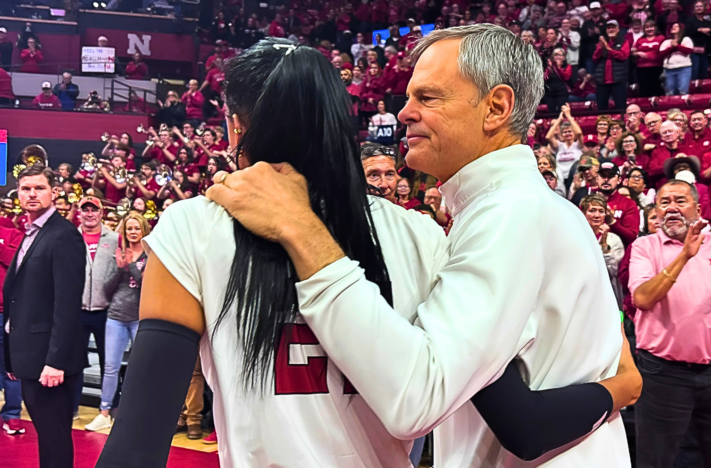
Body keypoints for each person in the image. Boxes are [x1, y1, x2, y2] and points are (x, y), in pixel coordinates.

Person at [205, 27, 638, 467]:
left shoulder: (507, 215)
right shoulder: (534, 209)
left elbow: (418, 399)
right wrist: (617, 390)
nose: (405, 113)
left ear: (497, 108)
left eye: (428, 98)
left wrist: (302, 230)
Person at [630, 179, 711, 468]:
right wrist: (684, 256)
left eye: (680, 201)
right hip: (663, 374)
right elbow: (643, 299)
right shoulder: (644, 246)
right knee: (656, 459)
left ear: (698, 209)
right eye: (664, 202)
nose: (671, 208)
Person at [3, 164, 87, 468]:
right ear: (18, 194)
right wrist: (12, 358)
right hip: (28, 354)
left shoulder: (63, 236)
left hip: (49, 361)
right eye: (26, 188)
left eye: (39, 188)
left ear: (54, 192)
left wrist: (56, 361)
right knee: (47, 435)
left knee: (54, 437)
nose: (32, 194)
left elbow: (66, 304)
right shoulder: (30, 233)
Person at [84, 213, 148, 432]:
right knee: (110, 367)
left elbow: (147, 287)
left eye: (136, 228)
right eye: (129, 228)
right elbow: (107, 288)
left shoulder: (151, 255)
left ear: (143, 230)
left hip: (139, 318)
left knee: (139, 368)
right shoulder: (119, 253)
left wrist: (130, 267)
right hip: (116, 317)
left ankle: (137, 412)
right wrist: (120, 267)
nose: (132, 232)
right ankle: (104, 413)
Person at [72, 196, 119, 416]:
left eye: (94, 210)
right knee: (73, 361)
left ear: (102, 213)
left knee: (109, 362)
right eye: (85, 210)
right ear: (79, 213)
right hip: (77, 311)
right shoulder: (70, 238)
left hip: (106, 311)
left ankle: (111, 408)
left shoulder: (116, 238)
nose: (89, 214)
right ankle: (72, 407)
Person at [0, 219, 24, 435]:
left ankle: (13, 415)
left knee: (12, 368)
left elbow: (15, 263)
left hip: (6, 312)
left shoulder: (12, 234)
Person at [581, 191, 624, 307]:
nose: (597, 215)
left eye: (601, 211)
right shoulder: (577, 237)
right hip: (582, 295)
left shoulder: (614, 240)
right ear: (583, 213)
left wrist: (604, 245)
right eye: (592, 210)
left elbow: (614, 271)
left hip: (607, 296)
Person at [596, 161, 641, 246]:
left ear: (619, 180)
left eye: (611, 176)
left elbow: (631, 237)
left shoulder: (629, 204)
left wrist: (612, 222)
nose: (606, 179)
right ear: (597, 179)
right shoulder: (587, 202)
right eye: (602, 175)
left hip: (619, 254)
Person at [593, 20, 630, 111]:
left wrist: (608, 48)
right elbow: (594, 58)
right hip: (602, 81)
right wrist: (601, 48)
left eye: (613, 27)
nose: (611, 29)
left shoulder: (624, 42)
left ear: (618, 29)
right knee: (601, 109)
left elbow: (623, 56)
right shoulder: (601, 43)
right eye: (609, 28)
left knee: (621, 108)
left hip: (618, 80)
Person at [546, 104, 583, 187]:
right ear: (562, 135)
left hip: (574, 177)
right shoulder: (559, 145)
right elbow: (548, 137)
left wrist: (569, 116)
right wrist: (559, 119)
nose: (567, 134)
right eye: (565, 132)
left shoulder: (578, 145)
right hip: (560, 178)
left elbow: (579, 133)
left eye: (570, 131)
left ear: (574, 134)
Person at [632, 21, 665, 98]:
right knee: (644, 89)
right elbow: (633, 52)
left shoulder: (661, 38)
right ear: (643, 29)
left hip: (657, 67)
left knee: (656, 88)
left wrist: (649, 55)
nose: (649, 29)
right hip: (642, 68)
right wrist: (637, 53)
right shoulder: (640, 40)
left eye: (651, 27)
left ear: (655, 28)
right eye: (647, 27)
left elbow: (664, 51)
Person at [659, 23, 693, 95]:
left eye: (676, 26)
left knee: (683, 90)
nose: (673, 27)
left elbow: (689, 51)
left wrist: (677, 46)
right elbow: (661, 53)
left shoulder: (686, 39)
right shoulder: (667, 41)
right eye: (672, 26)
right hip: (669, 69)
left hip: (684, 68)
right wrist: (671, 47)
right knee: (669, 91)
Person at [685, 0, 711, 81]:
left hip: (705, 50)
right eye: (697, 6)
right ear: (694, 9)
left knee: (703, 73)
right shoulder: (690, 20)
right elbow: (687, 33)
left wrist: (708, 30)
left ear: (704, 8)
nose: (699, 8)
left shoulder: (708, 22)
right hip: (693, 50)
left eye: (701, 6)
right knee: (694, 72)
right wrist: (699, 30)